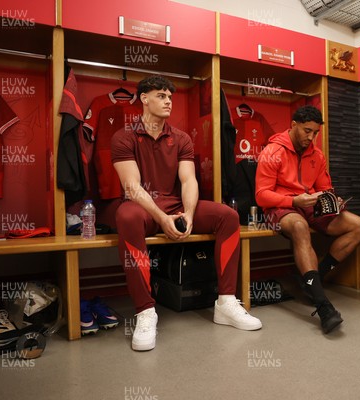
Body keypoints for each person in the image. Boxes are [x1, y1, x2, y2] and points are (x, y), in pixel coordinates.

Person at [111, 75, 262, 351]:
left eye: (170, 96)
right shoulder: (124, 137)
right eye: (161, 95)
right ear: (144, 98)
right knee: (127, 216)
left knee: (227, 216)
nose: (168, 100)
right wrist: (162, 218)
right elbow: (132, 187)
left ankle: (226, 302)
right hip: (143, 208)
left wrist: (189, 215)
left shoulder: (180, 138)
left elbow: (189, 181)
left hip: (176, 204)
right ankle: (145, 311)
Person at [255, 105, 360, 334]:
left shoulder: (317, 154)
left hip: (310, 207)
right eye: (307, 131)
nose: (311, 137)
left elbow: (324, 188)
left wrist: (331, 201)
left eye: (315, 132)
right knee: (299, 226)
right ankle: (323, 306)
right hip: (279, 208)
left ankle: (313, 278)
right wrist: (294, 202)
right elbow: (261, 195)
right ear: (294, 125)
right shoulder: (272, 151)